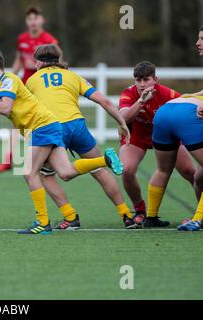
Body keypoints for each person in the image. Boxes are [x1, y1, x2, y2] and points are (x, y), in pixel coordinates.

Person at [0, 50, 124, 235]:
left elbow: (6, 108)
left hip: (42, 126)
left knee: (29, 172)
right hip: (48, 126)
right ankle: (105, 160)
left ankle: (43, 222)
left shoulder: (9, 80)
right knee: (66, 172)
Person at [25, 44, 136, 229]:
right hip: (77, 126)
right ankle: (126, 215)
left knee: (43, 174)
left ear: (40, 62)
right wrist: (121, 122)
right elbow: (104, 100)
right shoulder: (74, 76)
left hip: (52, 128)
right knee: (99, 172)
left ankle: (70, 217)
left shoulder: (32, 80)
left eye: (35, 60)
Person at [118, 61, 195, 228]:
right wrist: (140, 102)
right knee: (127, 170)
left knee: (190, 171)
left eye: (146, 79)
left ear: (155, 79)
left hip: (166, 135)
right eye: (138, 80)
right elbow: (123, 118)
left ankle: (199, 214)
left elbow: (188, 111)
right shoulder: (129, 94)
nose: (142, 84)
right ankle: (140, 210)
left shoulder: (169, 94)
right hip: (137, 136)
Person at [0, 5, 59, 173]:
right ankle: (8, 159)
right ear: (26, 21)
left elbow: (59, 63)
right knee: (16, 120)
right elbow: (18, 61)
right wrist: (6, 79)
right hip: (24, 86)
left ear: (42, 20)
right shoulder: (21, 38)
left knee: (44, 120)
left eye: (36, 18)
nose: (33, 22)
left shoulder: (49, 40)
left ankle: (49, 156)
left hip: (42, 86)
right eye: (30, 19)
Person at [148, 95, 203, 231]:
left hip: (163, 113)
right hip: (189, 114)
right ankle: (197, 219)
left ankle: (151, 217)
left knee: (163, 169)